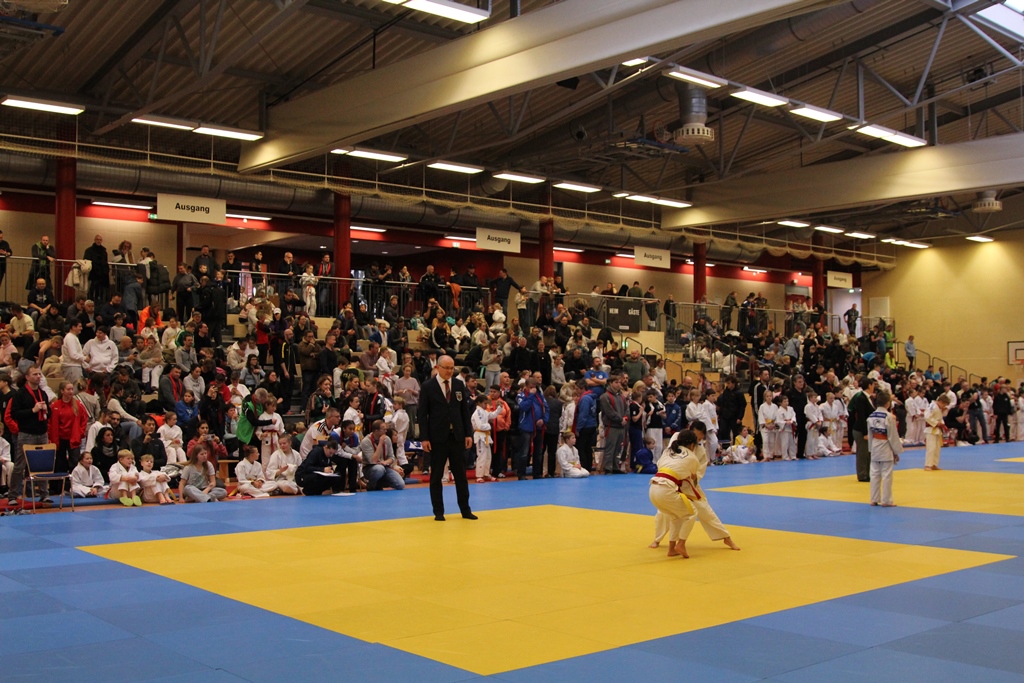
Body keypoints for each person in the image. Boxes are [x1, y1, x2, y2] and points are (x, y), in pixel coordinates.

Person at [417, 354, 476, 521]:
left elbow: (464, 411)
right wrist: (424, 438)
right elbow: (422, 414)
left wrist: (468, 433)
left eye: (452, 368)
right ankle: (438, 511)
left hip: (457, 436)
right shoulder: (428, 386)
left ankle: (465, 510)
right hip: (437, 437)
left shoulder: (458, 384)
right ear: (438, 368)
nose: (450, 371)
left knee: (461, 475)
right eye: (446, 368)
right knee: (436, 476)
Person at [647, 430, 700, 558]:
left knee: (676, 516)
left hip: (653, 488)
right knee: (691, 513)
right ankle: (681, 543)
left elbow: (661, 465)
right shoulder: (692, 457)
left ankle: (672, 549)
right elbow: (692, 477)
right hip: (666, 490)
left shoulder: (667, 451)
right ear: (692, 445)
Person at [868, 390, 902, 507]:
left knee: (874, 474)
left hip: (875, 446)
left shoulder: (871, 416)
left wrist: (871, 449)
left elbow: (870, 435)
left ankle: (874, 499)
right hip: (885, 446)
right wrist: (896, 451)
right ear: (888, 403)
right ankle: (886, 500)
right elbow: (892, 436)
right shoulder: (889, 416)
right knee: (887, 475)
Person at [359, 420, 405, 491]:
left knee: (400, 484)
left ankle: (378, 483)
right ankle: (370, 486)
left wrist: (385, 462)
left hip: (385, 466)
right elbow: (373, 461)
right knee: (379, 469)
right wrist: (380, 443)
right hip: (370, 468)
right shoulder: (366, 441)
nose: (386, 431)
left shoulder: (387, 439)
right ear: (376, 431)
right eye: (384, 429)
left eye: (386, 429)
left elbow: (391, 457)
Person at [470, 394, 503, 483]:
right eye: (485, 403)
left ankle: (486, 474)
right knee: (481, 456)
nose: (486, 405)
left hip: (486, 436)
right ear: (479, 403)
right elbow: (480, 426)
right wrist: (489, 425)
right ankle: (479, 476)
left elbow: (492, 415)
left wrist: (499, 408)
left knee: (488, 456)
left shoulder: (484, 412)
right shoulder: (477, 413)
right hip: (480, 436)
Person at [848, 377, 875, 482]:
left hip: (867, 429)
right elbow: (861, 416)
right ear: (869, 385)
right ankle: (862, 475)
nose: (874, 387)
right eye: (873, 385)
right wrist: (865, 433)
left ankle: (868, 473)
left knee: (868, 453)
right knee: (863, 453)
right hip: (860, 429)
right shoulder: (861, 398)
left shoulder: (868, 398)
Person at [924, 394, 951, 471]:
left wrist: (942, 424)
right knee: (931, 448)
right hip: (931, 429)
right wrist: (936, 423)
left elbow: (940, 418)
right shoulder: (932, 406)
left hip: (937, 430)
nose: (944, 406)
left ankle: (934, 464)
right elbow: (927, 417)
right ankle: (928, 465)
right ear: (940, 401)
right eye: (944, 404)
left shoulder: (938, 408)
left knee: (937, 448)